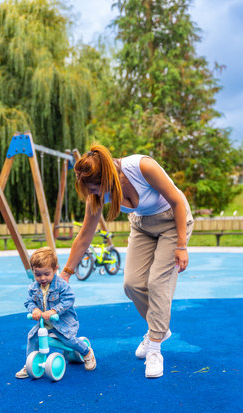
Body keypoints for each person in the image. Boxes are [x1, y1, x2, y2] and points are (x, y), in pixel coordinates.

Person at [60, 144, 194, 378]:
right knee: (131, 284)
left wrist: (182, 246)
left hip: (173, 223)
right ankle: (160, 329)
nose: (93, 194)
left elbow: (177, 202)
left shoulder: (142, 167)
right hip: (142, 225)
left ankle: (154, 348)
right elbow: (84, 235)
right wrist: (66, 273)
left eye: (95, 188)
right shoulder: (96, 193)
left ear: (108, 178)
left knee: (157, 283)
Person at [16, 247, 96, 378]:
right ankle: (30, 363)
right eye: (38, 274)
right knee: (33, 338)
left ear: (55, 269)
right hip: (45, 324)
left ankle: (87, 352)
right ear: (33, 272)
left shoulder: (61, 285)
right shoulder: (33, 288)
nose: (42, 278)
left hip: (62, 322)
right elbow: (29, 301)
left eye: (46, 274)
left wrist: (54, 310)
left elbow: (69, 298)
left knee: (69, 341)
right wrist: (34, 309)